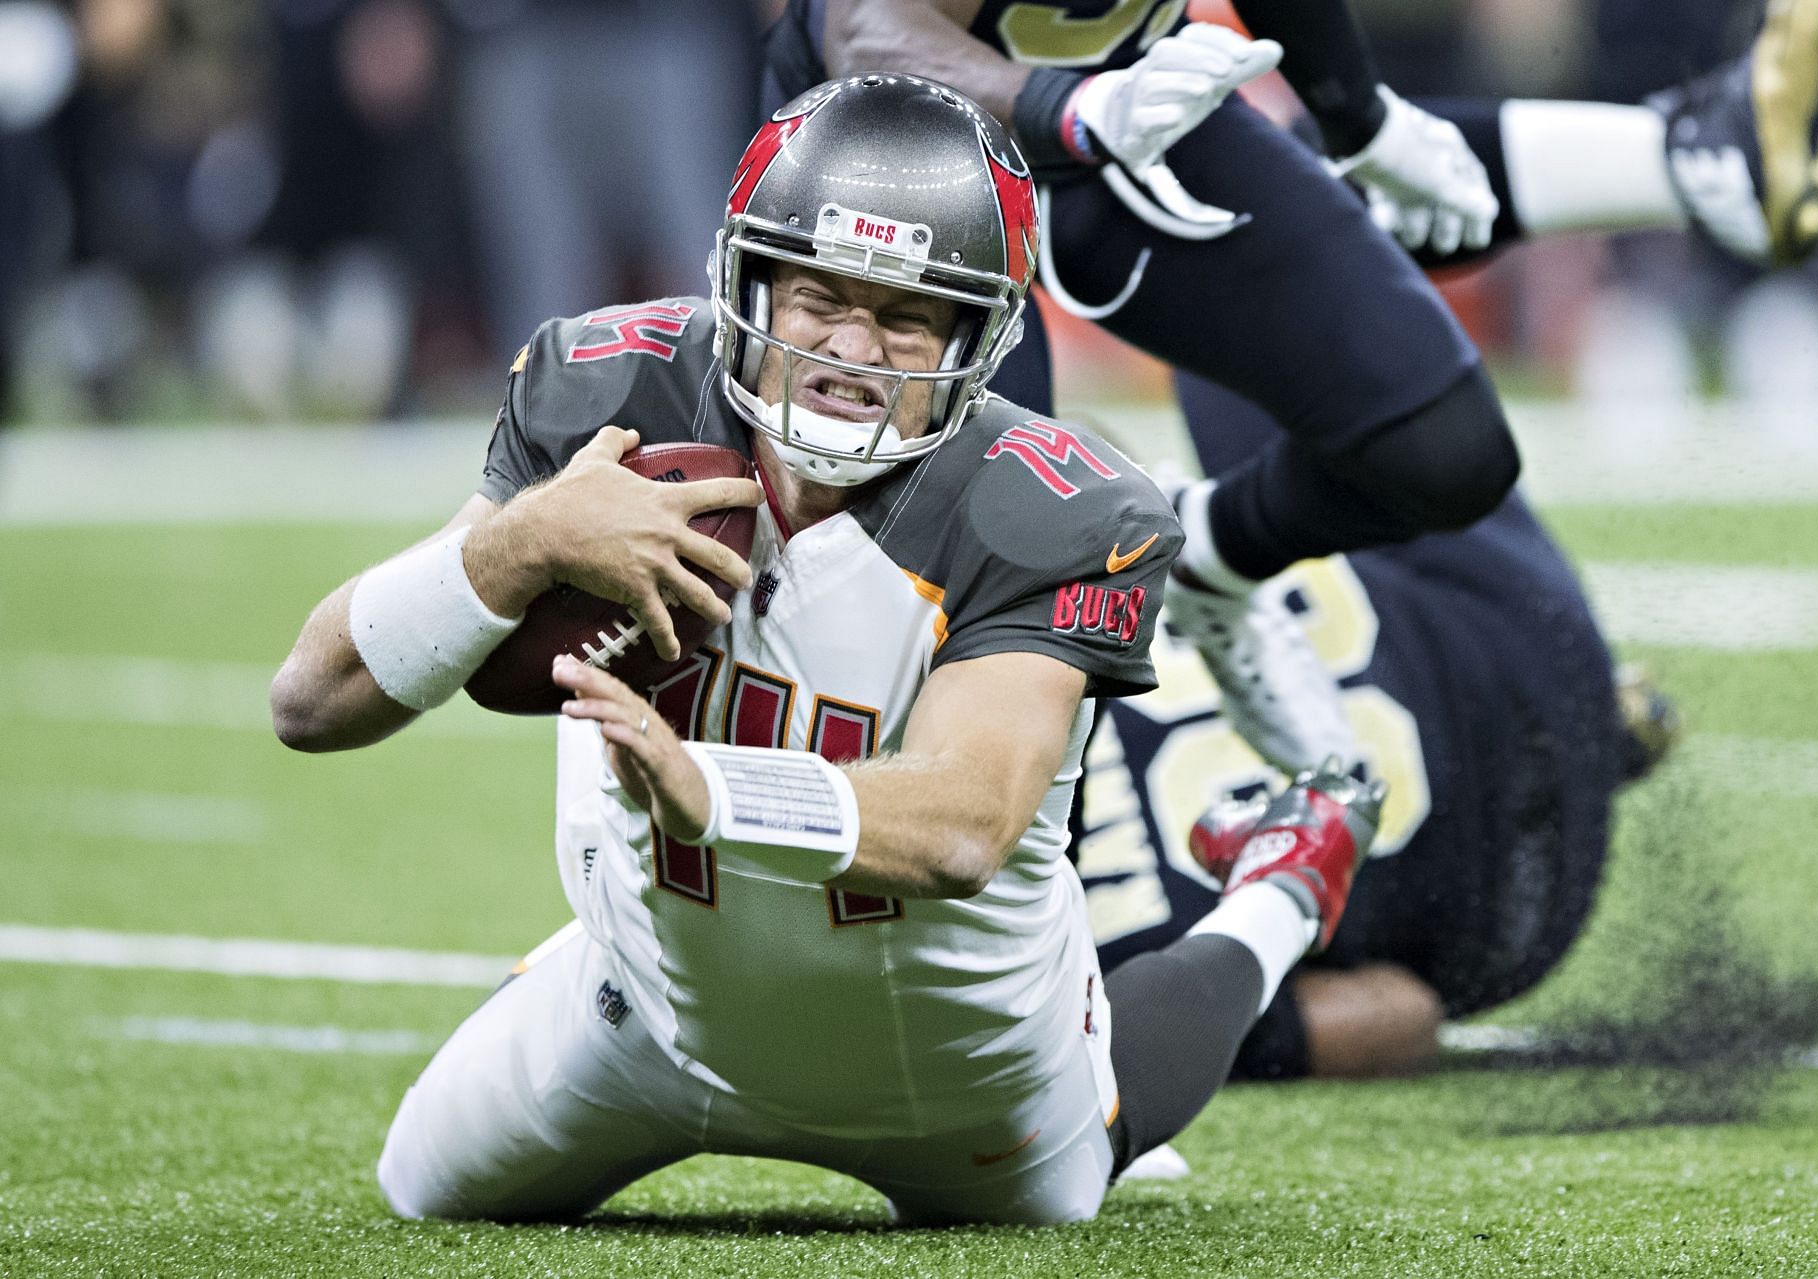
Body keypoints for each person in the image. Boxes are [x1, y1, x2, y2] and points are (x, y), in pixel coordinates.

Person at [271, 75, 1383, 1226]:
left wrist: (712, 788)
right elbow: (311, 701)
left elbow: (965, 820)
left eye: (909, 314)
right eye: (818, 297)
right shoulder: (619, 396)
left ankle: (1284, 882)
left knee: (1080, 1164)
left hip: (949, 1070)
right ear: (749, 278)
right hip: (640, 1006)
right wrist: (523, 542)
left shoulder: (1055, 507)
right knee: (420, 1188)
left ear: (977, 333)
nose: (856, 349)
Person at [759, 0, 1818, 768]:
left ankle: (1204, 559)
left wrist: (1363, 113)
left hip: (1131, 113)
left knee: (1441, 449)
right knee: (983, 647)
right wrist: (1070, 110)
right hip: (895, 171)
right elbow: (870, 26)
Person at [1078, 377, 1681, 1086]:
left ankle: (1592, 731)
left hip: (1512, 889)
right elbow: (1086, 455)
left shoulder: (1064, 982)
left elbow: (1398, 1011)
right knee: (1214, 296)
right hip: (1502, 625)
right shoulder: (984, 636)